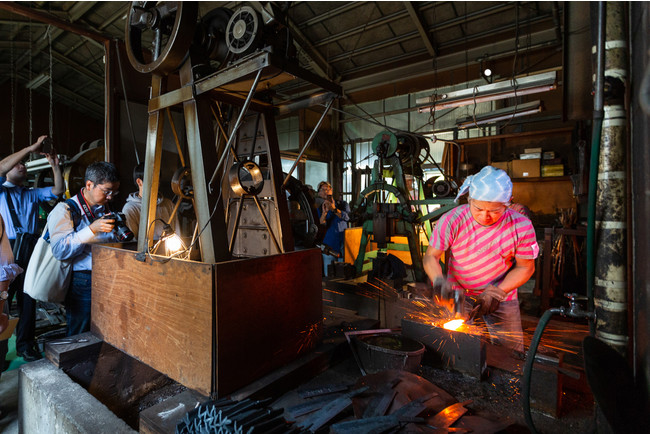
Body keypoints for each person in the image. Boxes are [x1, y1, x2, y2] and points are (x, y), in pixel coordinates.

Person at [423, 166, 539, 352]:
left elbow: (526, 268)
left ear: (508, 203)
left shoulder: (521, 225)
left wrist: (497, 292)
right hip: (458, 296)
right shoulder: (452, 220)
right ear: (469, 199)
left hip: (502, 295)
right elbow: (431, 257)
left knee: (510, 354)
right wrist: (439, 281)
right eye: (478, 208)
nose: (485, 216)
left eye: (494, 210)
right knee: (455, 351)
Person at [0, 135, 63, 361]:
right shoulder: (0, 191)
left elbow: (57, 191)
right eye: (17, 164)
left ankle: (26, 345)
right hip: (7, 254)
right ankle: (1, 347)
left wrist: (55, 167)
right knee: (3, 301)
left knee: (28, 299)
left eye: (24, 164)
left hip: (29, 250)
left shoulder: (30, 193)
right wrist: (31, 148)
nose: (22, 166)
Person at [48, 162, 121, 336]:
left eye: (114, 192)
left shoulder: (105, 207)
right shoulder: (65, 210)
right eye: (106, 191)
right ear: (89, 185)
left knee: (105, 330)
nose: (110, 197)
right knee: (79, 334)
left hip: (110, 276)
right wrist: (92, 229)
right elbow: (59, 250)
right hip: (83, 280)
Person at [122, 162, 178, 241]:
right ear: (139, 182)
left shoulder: (168, 204)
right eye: (152, 181)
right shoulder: (131, 209)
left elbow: (178, 233)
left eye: (158, 180)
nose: (156, 184)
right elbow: (132, 243)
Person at [316, 181, 350, 276]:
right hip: (329, 246)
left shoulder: (343, 204)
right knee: (329, 276)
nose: (326, 191)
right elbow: (321, 224)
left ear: (332, 191)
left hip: (343, 244)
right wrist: (325, 212)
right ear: (319, 193)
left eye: (328, 189)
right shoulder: (319, 209)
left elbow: (347, 217)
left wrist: (334, 208)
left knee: (343, 274)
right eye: (323, 189)